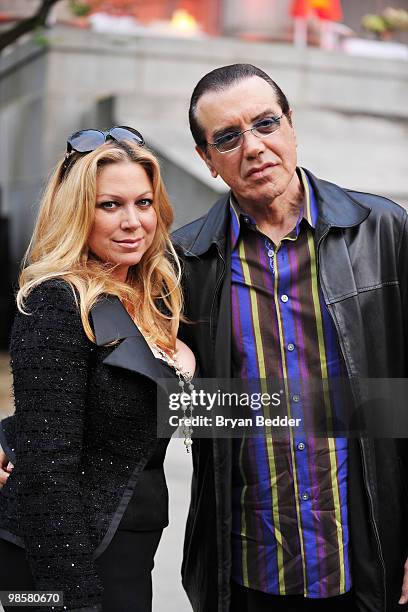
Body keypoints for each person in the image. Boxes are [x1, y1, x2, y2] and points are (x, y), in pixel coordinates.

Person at [170, 64, 408, 611]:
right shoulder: (187, 262)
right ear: (206, 159)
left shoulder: (382, 230)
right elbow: (144, 395)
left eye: (265, 124)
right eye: (228, 137)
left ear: (291, 125)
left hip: (366, 561)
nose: (253, 147)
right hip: (250, 569)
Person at [0, 126, 195, 612]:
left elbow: (79, 413)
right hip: (56, 558)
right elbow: (49, 471)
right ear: (78, 211)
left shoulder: (155, 298)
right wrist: (73, 597)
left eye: (143, 203)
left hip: (130, 545)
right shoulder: (55, 302)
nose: (132, 221)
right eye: (110, 205)